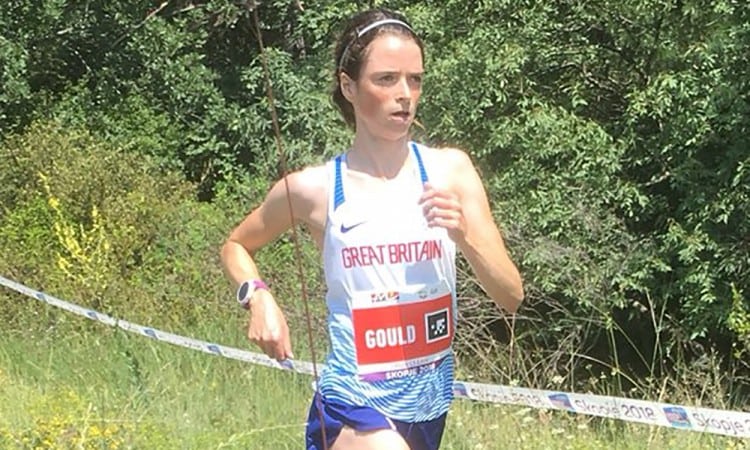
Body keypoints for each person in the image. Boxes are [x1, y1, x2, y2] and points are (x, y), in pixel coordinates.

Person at [220, 7, 524, 450]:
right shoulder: (316, 188)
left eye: (415, 80)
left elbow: (511, 296)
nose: (405, 94)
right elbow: (235, 246)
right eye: (386, 79)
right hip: (352, 405)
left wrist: (466, 237)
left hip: (427, 406)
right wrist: (258, 296)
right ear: (349, 86)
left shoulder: (450, 171)